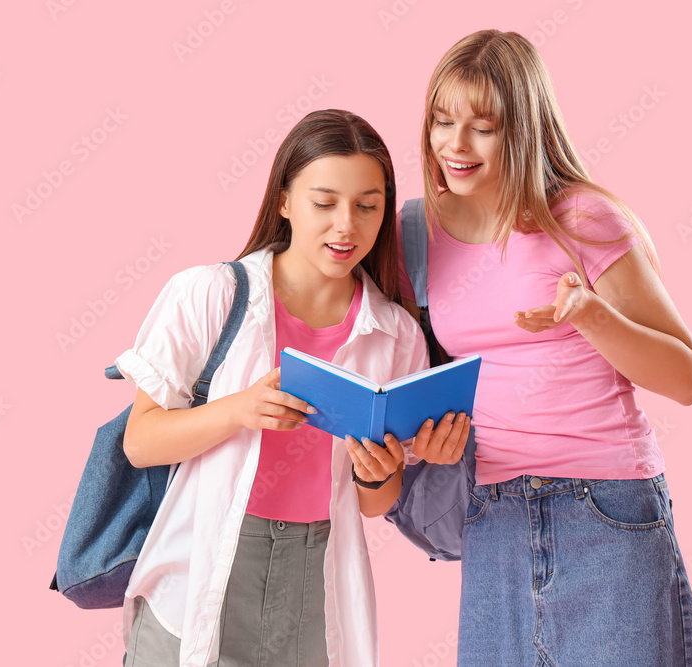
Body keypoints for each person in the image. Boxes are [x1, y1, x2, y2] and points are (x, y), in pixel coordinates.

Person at [115, 109, 469, 667]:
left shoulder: (396, 333)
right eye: (323, 203)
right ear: (284, 200)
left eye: (367, 206)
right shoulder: (208, 296)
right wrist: (238, 409)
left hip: (319, 573)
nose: (345, 226)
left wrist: (377, 472)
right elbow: (140, 441)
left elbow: (376, 504)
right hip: (201, 564)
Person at [397, 30, 692, 666]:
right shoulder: (416, 231)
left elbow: (685, 376)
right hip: (493, 512)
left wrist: (591, 316)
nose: (456, 145)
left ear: (524, 127)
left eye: (482, 126)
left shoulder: (582, 219)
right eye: (442, 121)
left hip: (607, 508)